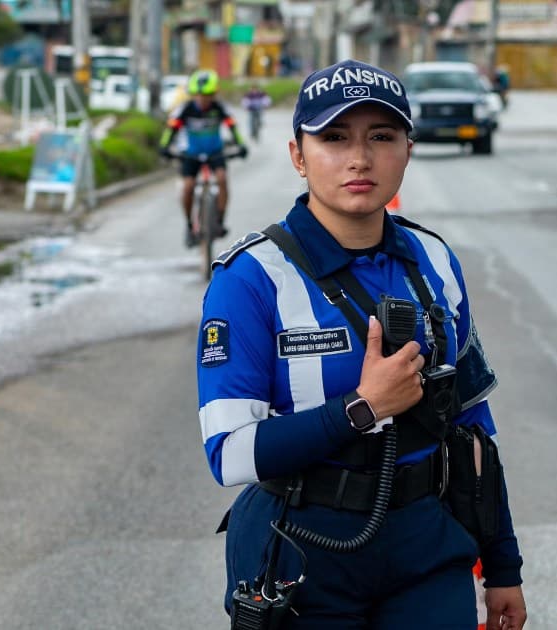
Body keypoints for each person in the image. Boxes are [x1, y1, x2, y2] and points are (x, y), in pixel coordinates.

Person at [197, 59, 527, 629]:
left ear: (407, 148)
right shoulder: (251, 278)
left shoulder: (436, 262)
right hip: (301, 555)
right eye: (333, 138)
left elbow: (474, 425)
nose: (359, 158)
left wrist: (503, 566)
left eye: (381, 136)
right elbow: (229, 454)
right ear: (298, 155)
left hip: (427, 548)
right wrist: (362, 408)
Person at [160, 69, 247, 247]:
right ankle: (189, 224)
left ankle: (220, 221)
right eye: (198, 95)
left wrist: (241, 145)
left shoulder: (219, 108)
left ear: (213, 94)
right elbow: (171, 129)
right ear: (193, 94)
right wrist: (165, 146)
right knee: (188, 186)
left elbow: (232, 127)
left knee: (222, 179)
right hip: (191, 153)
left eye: (207, 95)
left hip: (215, 152)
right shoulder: (185, 109)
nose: (203, 99)